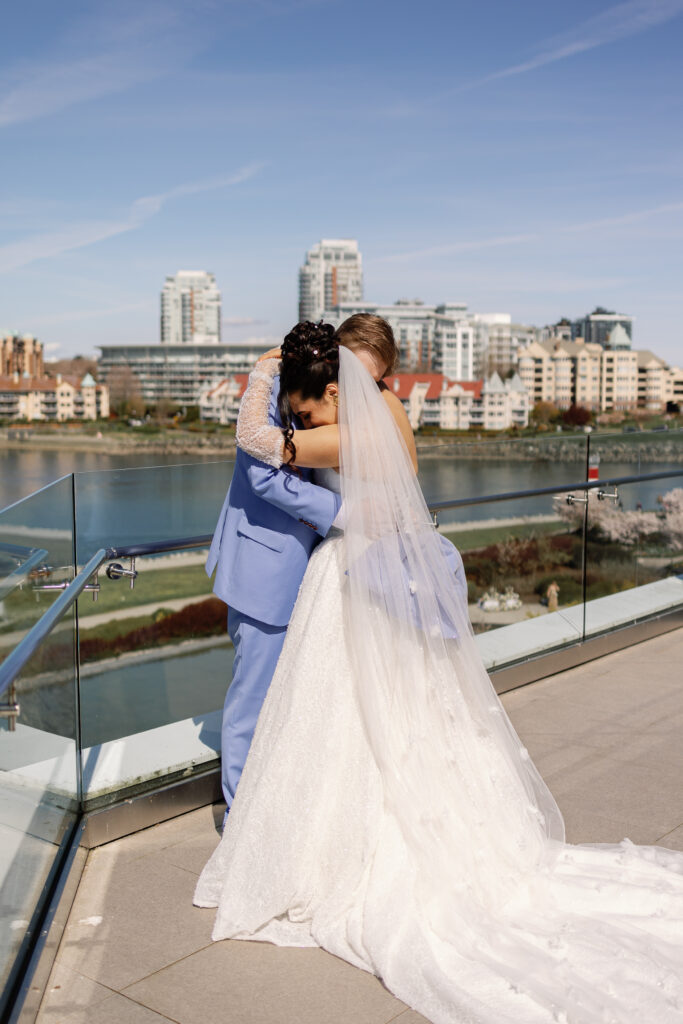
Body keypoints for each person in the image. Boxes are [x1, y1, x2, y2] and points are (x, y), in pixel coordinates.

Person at [195, 324, 683, 1024]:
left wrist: (260, 374)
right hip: (342, 567)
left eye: (329, 389)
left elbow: (262, 445)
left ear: (349, 379)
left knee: (345, 709)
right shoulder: (385, 409)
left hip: (348, 565)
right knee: (368, 709)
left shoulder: (351, 423)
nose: (312, 408)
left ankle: (291, 840)